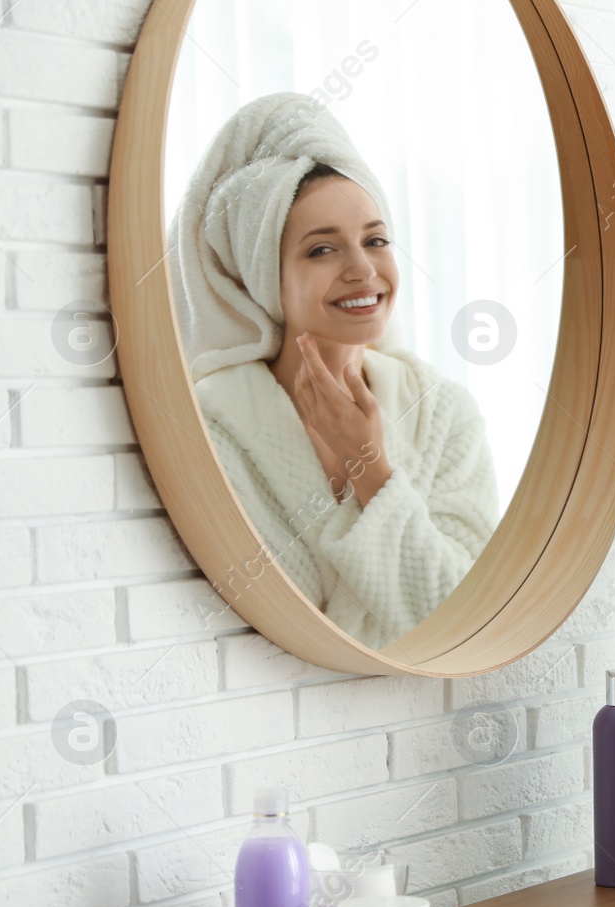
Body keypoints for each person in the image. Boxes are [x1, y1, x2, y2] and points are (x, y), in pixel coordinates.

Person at [166, 93, 499, 649]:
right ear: (262, 275)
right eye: (322, 250)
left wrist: (372, 472)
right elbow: (269, 622)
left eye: (375, 240)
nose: (363, 269)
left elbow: (468, 619)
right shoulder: (213, 427)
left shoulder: (442, 413)